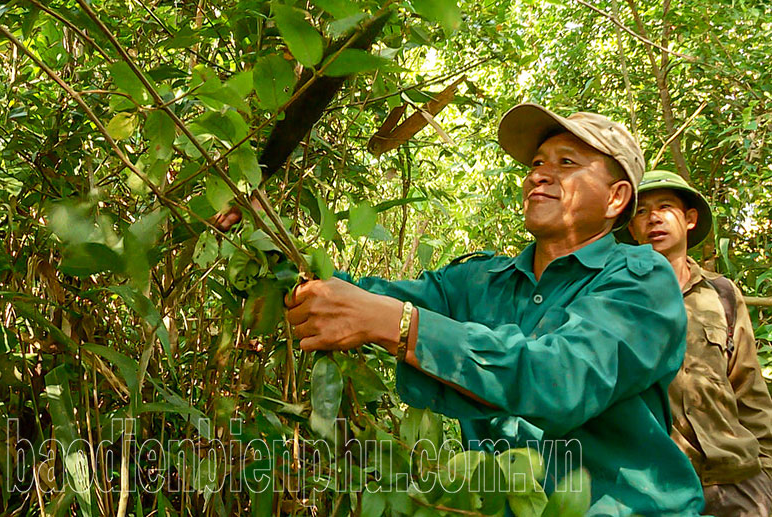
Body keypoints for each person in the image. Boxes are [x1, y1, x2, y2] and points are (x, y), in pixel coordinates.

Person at [285, 104, 704, 515]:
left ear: (616, 198)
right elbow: (358, 295)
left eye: (567, 162)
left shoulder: (641, 280)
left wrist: (401, 326)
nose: (539, 174)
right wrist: (267, 248)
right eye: (537, 162)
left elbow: (564, 378)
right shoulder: (480, 282)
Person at [622, 169, 772, 516]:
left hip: (737, 477)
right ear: (631, 229)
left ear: (689, 219)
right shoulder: (618, 297)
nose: (653, 218)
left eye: (664, 207)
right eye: (641, 212)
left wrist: (765, 472)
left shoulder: (721, 294)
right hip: (658, 482)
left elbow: (749, 390)